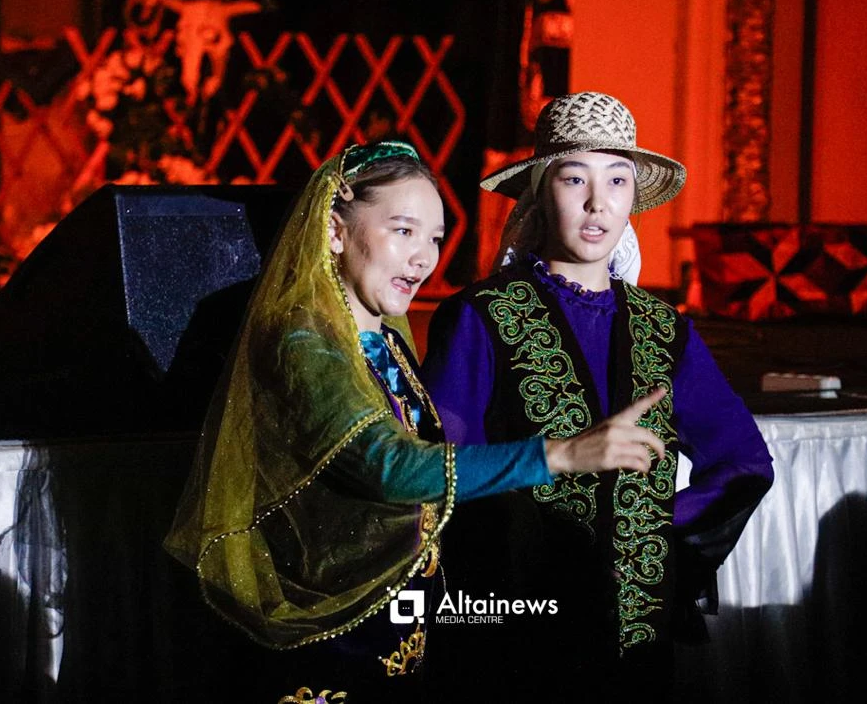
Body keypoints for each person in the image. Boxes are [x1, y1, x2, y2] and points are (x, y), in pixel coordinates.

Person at [164, 139, 668, 703]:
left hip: (395, 630)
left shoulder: (386, 344)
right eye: (403, 231)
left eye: (434, 238)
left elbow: (435, 475)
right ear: (334, 231)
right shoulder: (304, 341)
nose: (424, 258)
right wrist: (562, 453)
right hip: (324, 639)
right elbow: (390, 466)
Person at [420, 92, 775, 697]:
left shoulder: (664, 329)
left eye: (616, 179)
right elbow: (438, 470)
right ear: (539, 192)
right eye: (573, 178)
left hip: (633, 633)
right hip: (515, 625)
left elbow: (744, 463)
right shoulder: (482, 316)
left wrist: (654, 539)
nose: (596, 201)